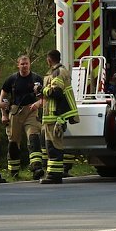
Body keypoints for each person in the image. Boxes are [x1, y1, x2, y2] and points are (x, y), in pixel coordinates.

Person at [0, 55, 44, 179]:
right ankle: (13, 171)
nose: (25, 66)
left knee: (33, 136)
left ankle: (36, 167)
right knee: (13, 141)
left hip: (31, 110)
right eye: (22, 64)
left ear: (30, 64)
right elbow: (3, 96)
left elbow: (44, 98)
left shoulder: (37, 79)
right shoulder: (12, 79)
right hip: (15, 111)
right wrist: (4, 114)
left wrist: (38, 103)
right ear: (18, 65)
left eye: (27, 64)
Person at [39, 49, 79, 184]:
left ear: (49, 59)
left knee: (54, 145)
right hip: (55, 115)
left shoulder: (57, 72)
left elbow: (56, 92)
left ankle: (54, 176)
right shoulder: (61, 71)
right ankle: (53, 174)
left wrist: (41, 90)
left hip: (55, 115)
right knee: (52, 145)